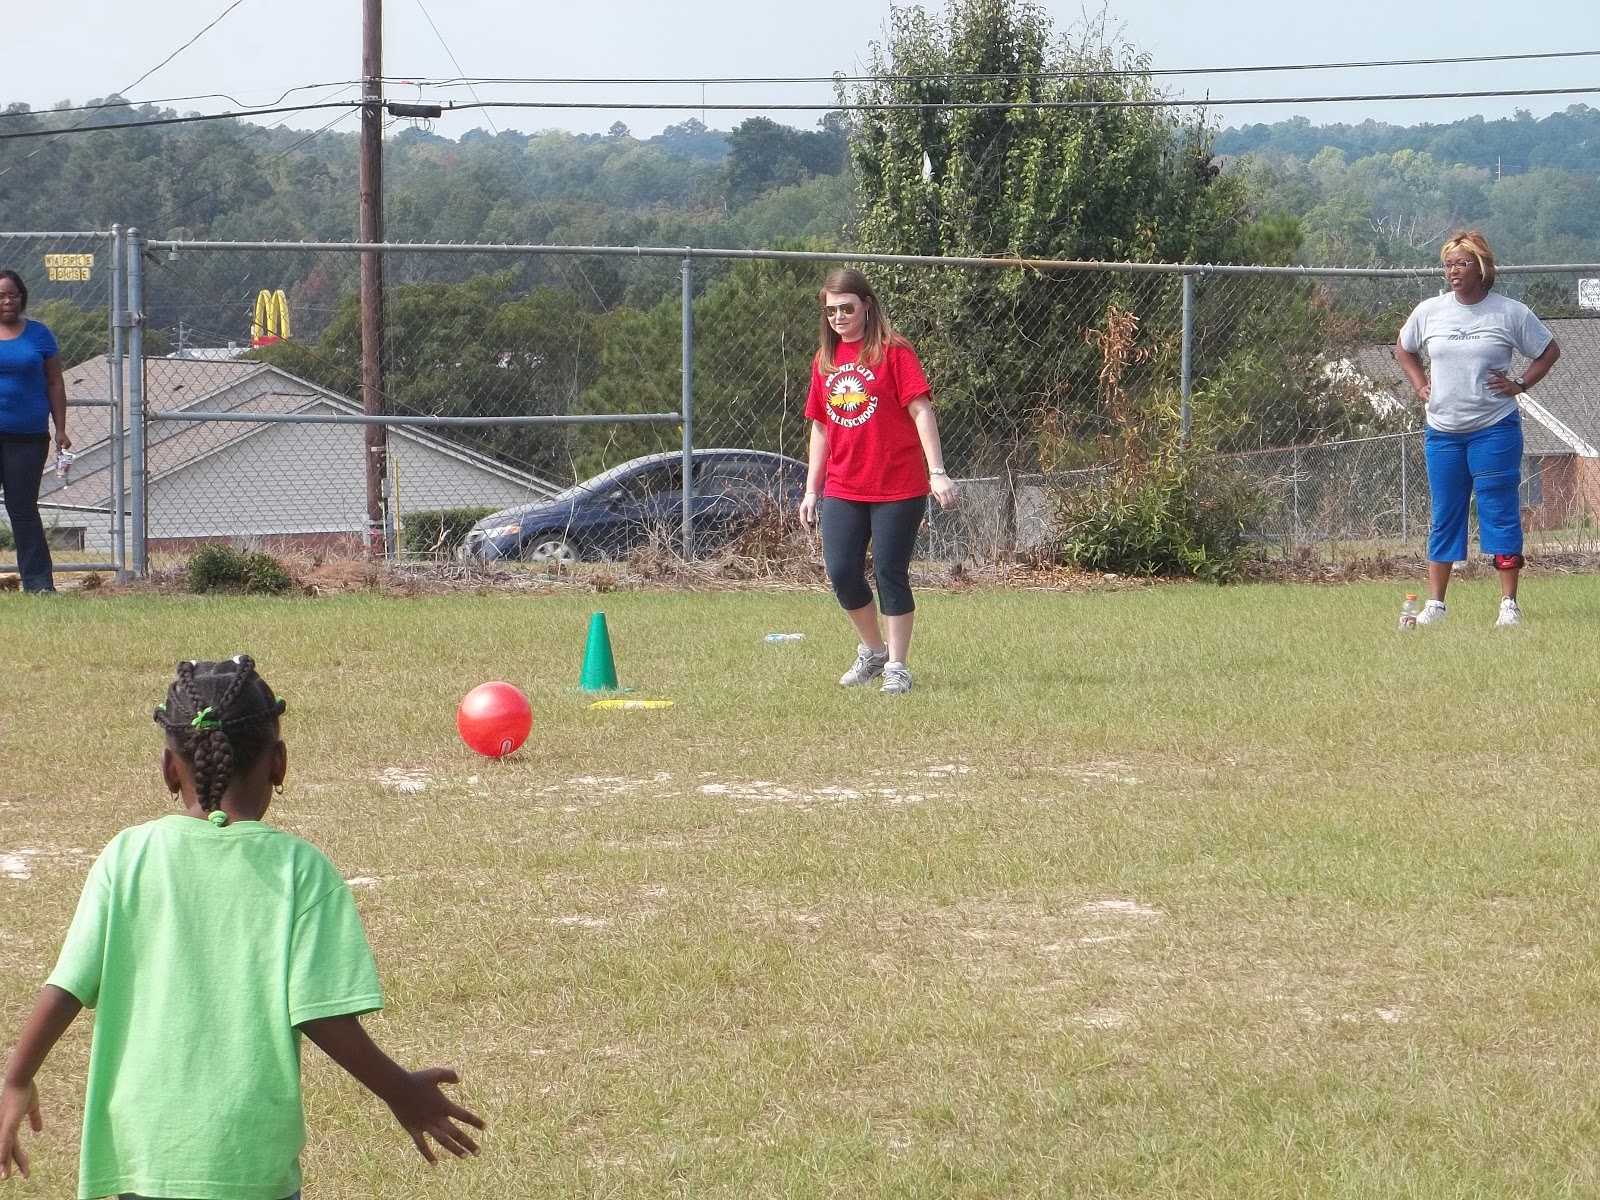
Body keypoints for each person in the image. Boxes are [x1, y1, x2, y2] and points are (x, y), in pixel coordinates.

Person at [0, 656, 485, 1199]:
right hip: (247, 1157)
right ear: (279, 763)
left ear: (167, 767)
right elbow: (324, 1016)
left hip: (144, 1150)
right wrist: (400, 1089)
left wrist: (16, 1080)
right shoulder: (301, 870)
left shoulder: (127, 857)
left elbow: (65, 987)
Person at [798, 268, 958, 695]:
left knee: (890, 572)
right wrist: (812, 489)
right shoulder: (825, 362)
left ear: (867, 305)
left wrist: (937, 472)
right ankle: (873, 651)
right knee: (843, 571)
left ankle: (898, 666)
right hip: (843, 486)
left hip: (898, 485)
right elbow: (821, 427)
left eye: (846, 308)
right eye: (831, 311)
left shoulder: (894, 352)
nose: (839, 317)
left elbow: (921, 410)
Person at [1394, 230, 1560, 627]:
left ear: (1482, 268)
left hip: (1494, 429)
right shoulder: (1430, 311)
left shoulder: (1509, 312)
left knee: (1498, 510)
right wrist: (1420, 385)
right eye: (1449, 264)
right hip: (1443, 431)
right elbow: (1404, 348)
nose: (1454, 271)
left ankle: (1509, 605)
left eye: (1463, 263)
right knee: (1446, 512)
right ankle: (1435, 605)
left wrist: (1519, 384)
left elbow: (1548, 350)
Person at [0, 269, 69, 593]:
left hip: (27, 438)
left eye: (13, 294)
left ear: (22, 296)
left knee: (23, 509)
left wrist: (61, 429)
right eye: (1, 295)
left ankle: (39, 584)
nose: (7, 300)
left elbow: (55, 382)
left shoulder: (39, 335)